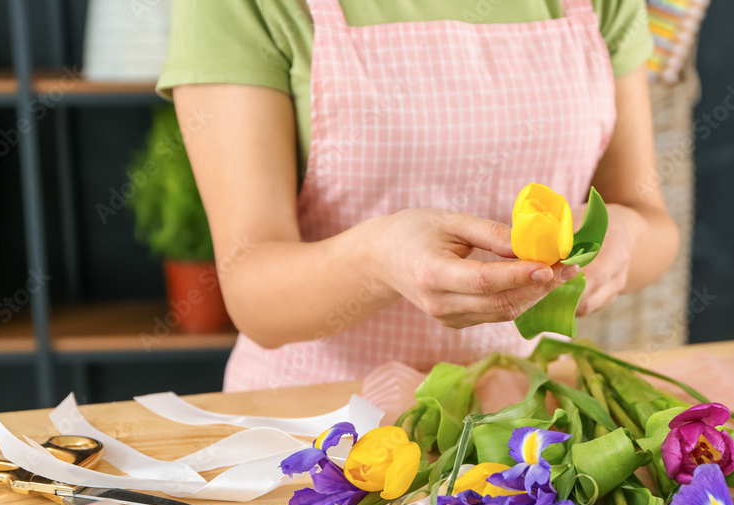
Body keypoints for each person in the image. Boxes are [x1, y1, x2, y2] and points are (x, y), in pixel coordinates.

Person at [157, 0, 679, 391]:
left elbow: (652, 224)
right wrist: (377, 258)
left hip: (528, 427)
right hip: (323, 437)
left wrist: (622, 238)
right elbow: (254, 293)